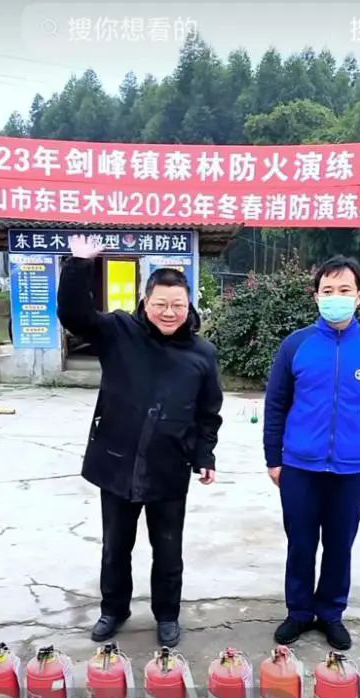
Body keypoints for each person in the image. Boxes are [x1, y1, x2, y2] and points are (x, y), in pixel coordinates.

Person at [57, 235, 223, 647]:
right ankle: (114, 609)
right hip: (118, 461)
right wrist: (78, 265)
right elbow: (75, 315)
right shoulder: (119, 331)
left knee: (167, 549)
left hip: (169, 466)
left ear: (189, 305)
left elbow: (208, 412)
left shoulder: (202, 353)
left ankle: (167, 615)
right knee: (116, 546)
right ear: (146, 301)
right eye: (161, 303)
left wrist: (204, 455)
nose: (169, 312)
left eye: (178, 305)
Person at [264, 255, 360, 651]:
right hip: (299, 466)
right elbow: (276, 403)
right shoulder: (296, 345)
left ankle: (331, 613)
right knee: (301, 544)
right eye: (328, 290)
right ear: (316, 296)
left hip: (353, 469)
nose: (335, 297)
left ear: (359, 296)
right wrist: (274, 458)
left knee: (340, 546)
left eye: (344, 290)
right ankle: (299, 612)